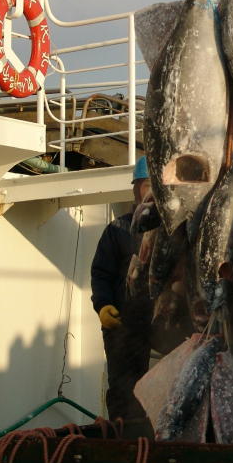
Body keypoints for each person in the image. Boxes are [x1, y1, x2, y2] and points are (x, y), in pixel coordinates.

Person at [90, 155, 152, 421]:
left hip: (161, 327)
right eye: (146, 184)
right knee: (124, 391)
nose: (151, 192)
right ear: (137, 188)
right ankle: (125, 444)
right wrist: (103, 305)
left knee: (163, 388)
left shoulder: (176, 230)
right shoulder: (117, 229)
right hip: (123, 325)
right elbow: (100, 274)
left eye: (157, 185)